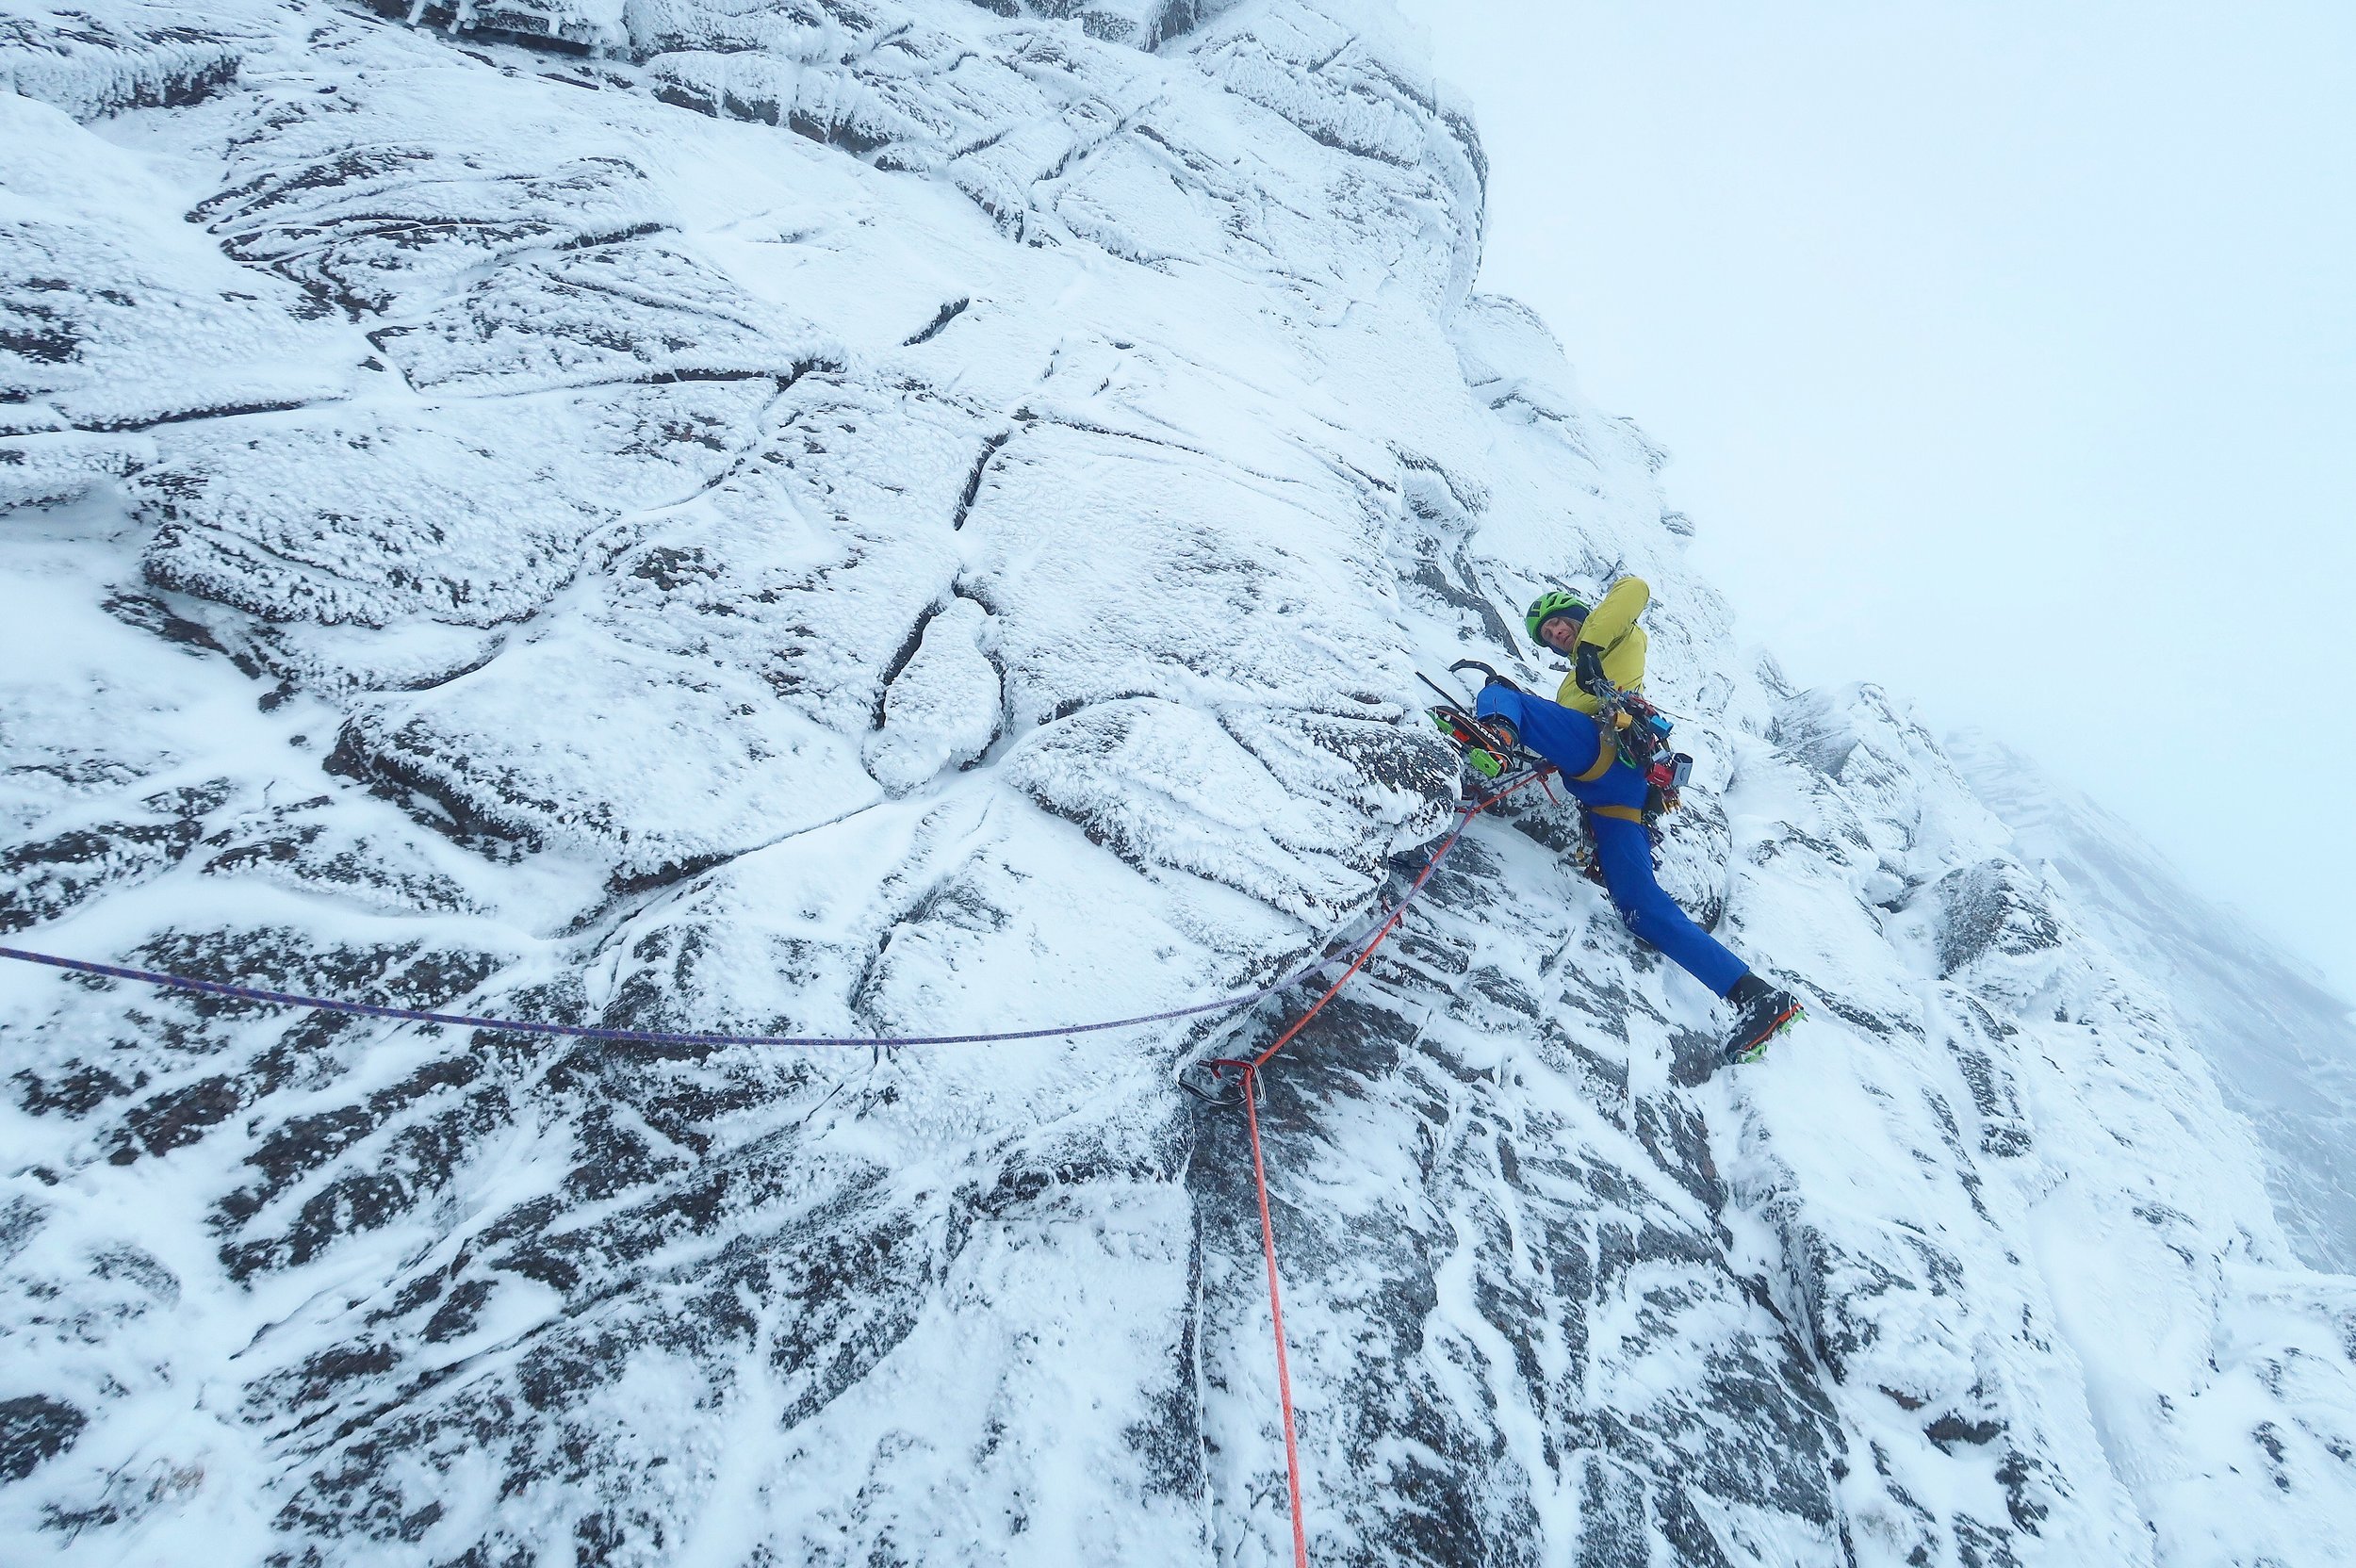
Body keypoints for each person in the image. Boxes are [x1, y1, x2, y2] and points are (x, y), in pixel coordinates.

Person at [1477, 580, 1801, 1064]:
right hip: (1616, 798)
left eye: (1563, 620)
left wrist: (1587, 650)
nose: (1558, 631)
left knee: (1505, 694)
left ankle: (1493, 732)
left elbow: (1635, 587)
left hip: (1608, 751)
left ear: (1583, 616)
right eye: (1548, 631)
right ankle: (1755, 995)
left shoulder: (1617, 636)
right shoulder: (1571, 684)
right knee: (1639, 906)